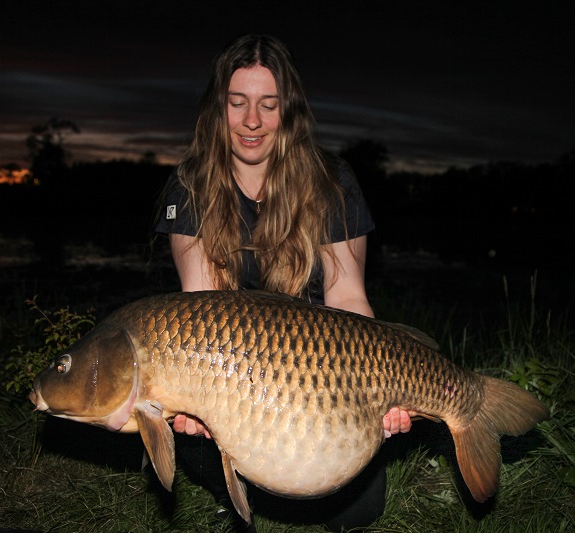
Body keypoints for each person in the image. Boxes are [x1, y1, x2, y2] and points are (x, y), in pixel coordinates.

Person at [155, 34, 413, 532]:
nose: (252, 121)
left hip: (323, 371)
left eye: (268, 105)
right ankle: (234, 487)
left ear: (288, 112)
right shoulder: (189, 186)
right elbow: (198, 314)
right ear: (218, 108)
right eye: (238, 103)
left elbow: (347, 297)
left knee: (359, 508)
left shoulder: (332, 181)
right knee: (198, 441)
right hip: (237, 379)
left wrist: (383, 388)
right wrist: (187, 400)